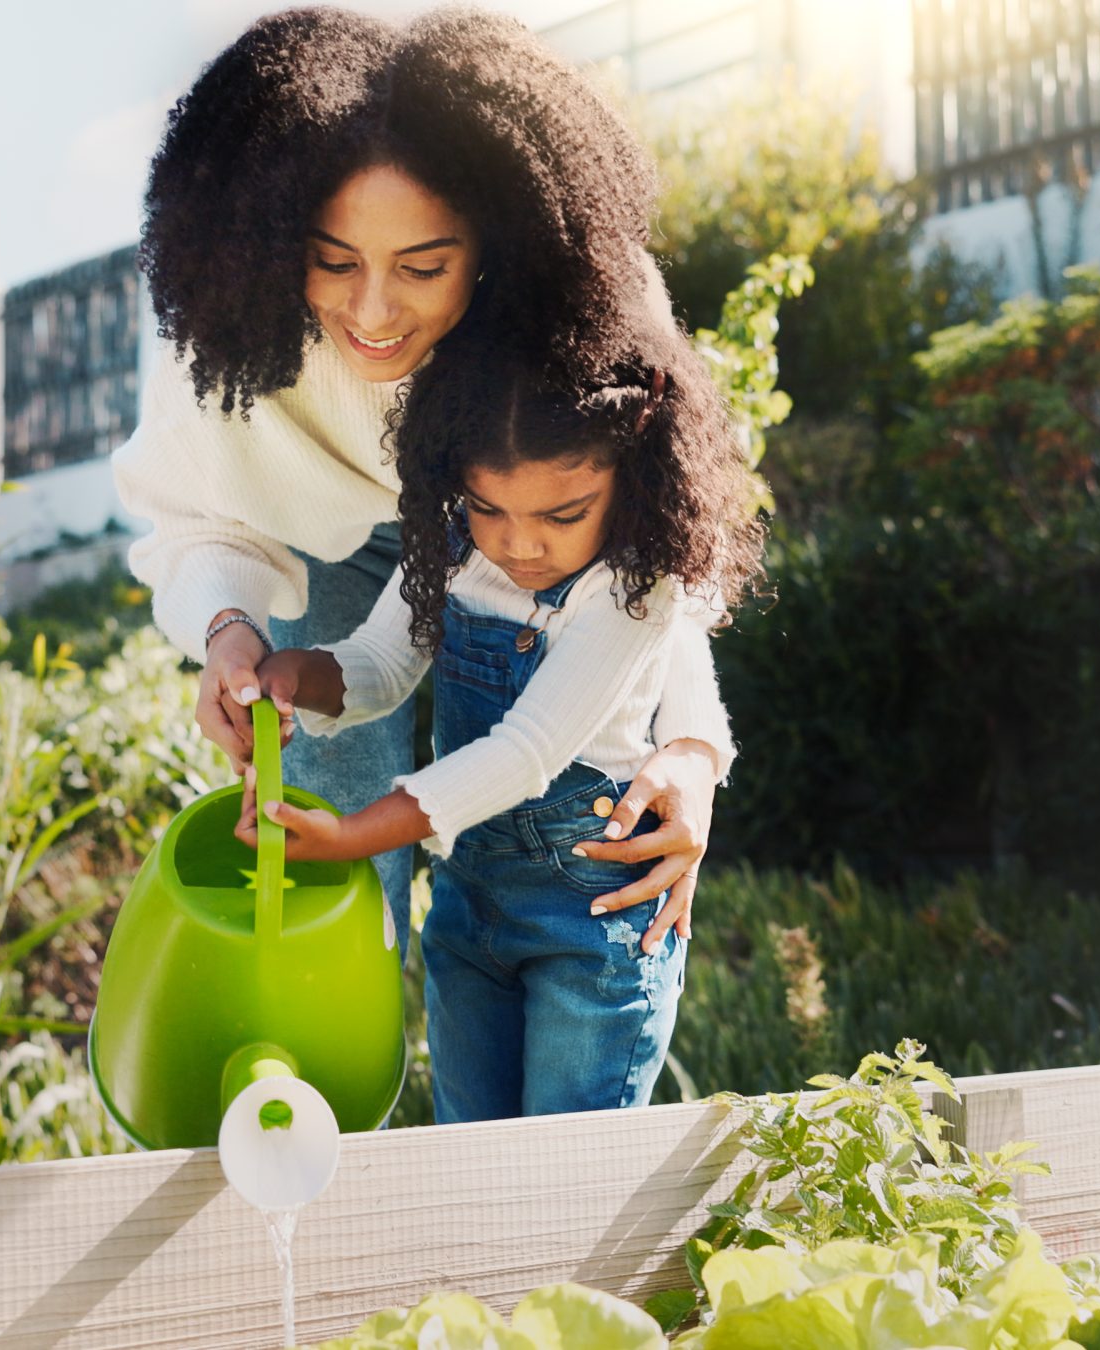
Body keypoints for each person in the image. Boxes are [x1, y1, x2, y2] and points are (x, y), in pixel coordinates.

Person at [116, 7, 734, 962]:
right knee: (329, 853)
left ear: (490, 245)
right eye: (333, 262)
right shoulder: (224, 335)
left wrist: (689, 747)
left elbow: (653, 548)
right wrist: (228, 634)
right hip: (319, 557)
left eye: (423, 267)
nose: (371, 310)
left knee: (546, 830)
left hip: (500, 538)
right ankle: (335, 1087)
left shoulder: (584, 300)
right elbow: (194, 515)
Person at [237, 327, 766, 1122]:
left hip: (591, 926)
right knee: (468, 1160)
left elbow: (526, 753)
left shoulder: (633, 590)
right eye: (488, 507)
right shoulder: (455, 548)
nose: (519, 544)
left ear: (632, 480)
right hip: (468, 905)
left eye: (564, 513)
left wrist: (353, 836)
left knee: (568, 1178)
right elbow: (380, 664)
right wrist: (297, 674)